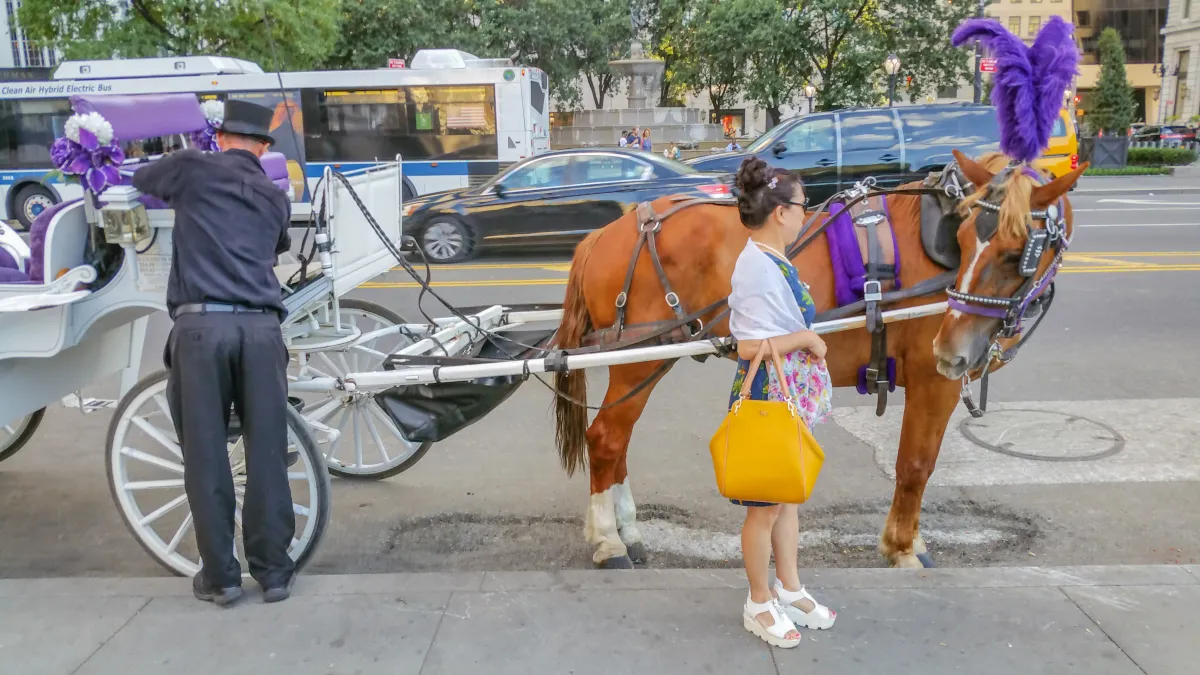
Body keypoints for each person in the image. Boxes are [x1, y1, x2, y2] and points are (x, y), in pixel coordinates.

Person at [132, 99, 297, 607]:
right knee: (267, 450)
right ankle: (273, 573)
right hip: (262, 330)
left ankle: (222, 577)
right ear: (264, 147)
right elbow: (275, 248)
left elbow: (142, 179)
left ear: (220, 137)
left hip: (202, 328)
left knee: (206, 453)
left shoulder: (192, 169)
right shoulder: (274, 198)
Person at [726, 157, 836, 648]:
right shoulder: (754, 266)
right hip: (767, 394)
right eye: (801, 206)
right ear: (779, 212)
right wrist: (806, 339)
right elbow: (746, 346)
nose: (805, 213)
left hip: (786, 391)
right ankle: (757, 600)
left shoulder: (773, 258)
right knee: (764, 509)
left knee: (787, 495)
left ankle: (788, 589)